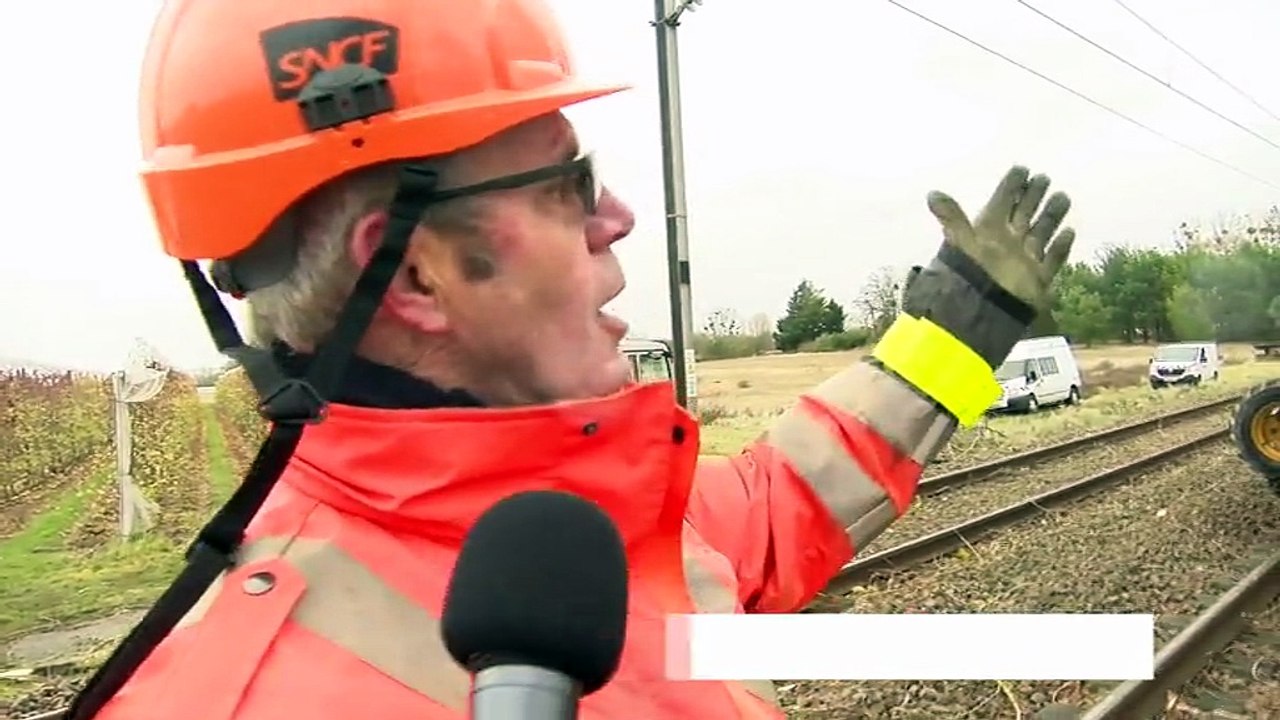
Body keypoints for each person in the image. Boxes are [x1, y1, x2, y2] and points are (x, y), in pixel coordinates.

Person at [68, 0, 1077, 718]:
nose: (617, 217)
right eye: (569, 184)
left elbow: (774, 507)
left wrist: (957, 330)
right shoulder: (234, 697)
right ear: (416, 276)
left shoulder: (577, 520)